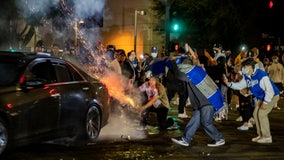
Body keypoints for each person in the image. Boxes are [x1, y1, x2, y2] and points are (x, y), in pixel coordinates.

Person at [170, 47, 226, 147]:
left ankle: (219, 138)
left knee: (206, 122)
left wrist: (173, 62)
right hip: (203, 102)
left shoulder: (191, 72)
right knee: (194, 121)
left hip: (207, 101)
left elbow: (178, 75)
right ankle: (186, 139)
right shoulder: (195, 70)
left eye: (182, 65)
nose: (181, 67)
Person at [224, 58, 280, 143]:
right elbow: (240, 85)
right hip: (262, 97)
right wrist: (229, 84)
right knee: (255, 113)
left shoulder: (261, 75)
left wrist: (265, 102)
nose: (243, 69)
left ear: (250, 67)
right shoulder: (247, 76)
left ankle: (267, 136)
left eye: (244, 67)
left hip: (272, 96)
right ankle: (260, 135)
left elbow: (270, 90)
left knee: (261, 114)